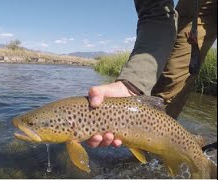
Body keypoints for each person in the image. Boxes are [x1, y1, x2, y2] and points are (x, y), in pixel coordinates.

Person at [86, 0, 217, 148]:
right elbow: (156, 14)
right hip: (198, 5)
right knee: (169, 81)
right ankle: (166, 150)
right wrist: (132, 85)